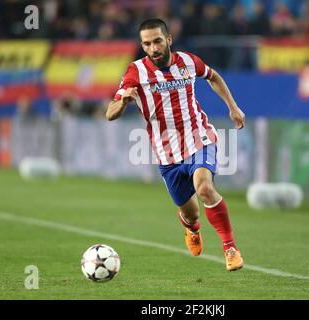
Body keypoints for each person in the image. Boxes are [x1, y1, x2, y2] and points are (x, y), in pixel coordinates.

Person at [105, 18, 245, 271]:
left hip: (199, 137)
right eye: (147, 44)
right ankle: (191, 227)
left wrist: (233, 108)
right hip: (166, 154)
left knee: (204, 187)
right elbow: (110, 114)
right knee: (191, 213)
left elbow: (213, 77)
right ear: (142, 45)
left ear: (168, 39)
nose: (153, 48)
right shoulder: (135, 72)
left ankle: (230, 248)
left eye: (157, 41)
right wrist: (124, 101)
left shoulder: (189, 62)